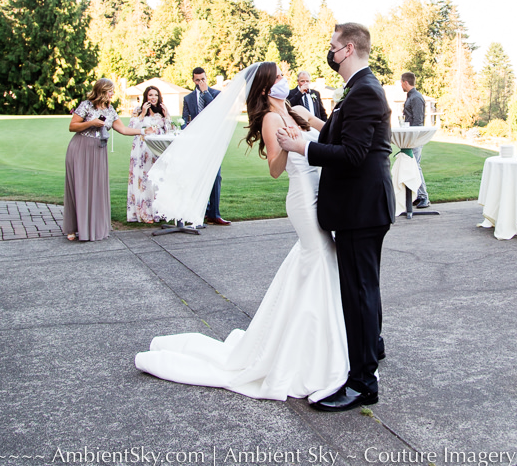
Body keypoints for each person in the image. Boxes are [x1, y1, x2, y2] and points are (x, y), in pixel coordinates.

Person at [135, 61, 349, 401]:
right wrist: (289, 144)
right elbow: (276, 169)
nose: (285, 79)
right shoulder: (270, 118)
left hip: (318, 192)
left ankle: (312, 342)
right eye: (279, 76)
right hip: (303, 199)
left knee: (317, 264)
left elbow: (321, 142)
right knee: (319, 259)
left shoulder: (291, 110)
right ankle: (312, 354)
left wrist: (307, 130)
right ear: (266, 87)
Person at [277, 22, 395, 411]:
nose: (328, 53)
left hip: (360, 209)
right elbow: (345, 138)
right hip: (361, 207)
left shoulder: (364, 91)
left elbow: (353, 154)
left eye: (331, 47)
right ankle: (371, 351)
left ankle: (362, 383)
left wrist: (300, 147)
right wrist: (311, 125)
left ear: (346, 49)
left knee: (358, 292)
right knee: (365, 288)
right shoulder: (359, 90)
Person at [63, 78, 135, 242]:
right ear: (102, 91)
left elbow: (122, 129)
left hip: (98, 151)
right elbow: (72, 126)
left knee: (96, 188)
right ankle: (73, 228)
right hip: (80, 148)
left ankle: (94, 228)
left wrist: (143, 131)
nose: (112, 94)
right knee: (79, 187)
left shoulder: (110, 110)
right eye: (110, 91)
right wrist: (91, 123)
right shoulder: (86, 105)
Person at [181, 67, 230, 225]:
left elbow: (218, 112)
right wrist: (186, 128)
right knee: (196, 177)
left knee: (216, 177)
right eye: (197, 80)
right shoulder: (188, 98)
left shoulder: (215, 94)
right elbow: (184, 121)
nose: (201, 82)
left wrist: (205, 93)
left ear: (206, 78)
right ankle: (199, 211)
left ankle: (214, 214)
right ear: (193, 80)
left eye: (203, 79)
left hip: (213, 141)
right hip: (196, 142)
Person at [127, 85, 173, 223]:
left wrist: (167, 116)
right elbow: (131, 128)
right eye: (150, 95)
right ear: (146, 97)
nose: (153, 98)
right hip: (141, 149)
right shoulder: (138, 110)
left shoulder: (161, 112)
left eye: (156, 95)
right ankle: (144, 212)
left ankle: (157, 212)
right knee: (143, 179)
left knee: (156, 180)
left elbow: (170, 129)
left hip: (156, 150)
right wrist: (142, 113)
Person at [401, 71, 430, 209]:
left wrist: (412, 138)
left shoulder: (416, 98)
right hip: (410, 138)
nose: (400, 85)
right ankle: (417, 196)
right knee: (411, 166)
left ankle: (424, 197)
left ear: (406, 82)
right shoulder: (410, 97)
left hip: (415, 138)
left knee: (416, 166)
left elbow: (418, 122)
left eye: (401, 82)